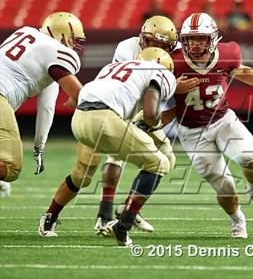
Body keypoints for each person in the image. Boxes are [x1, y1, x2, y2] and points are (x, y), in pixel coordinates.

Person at [166, 12, 253, 238]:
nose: (194, 44)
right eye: (190, 38)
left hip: (222, 119)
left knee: (252, 160)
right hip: (191, 132)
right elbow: (155, 89)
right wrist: (173, 87)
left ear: (213, 38)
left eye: (201, 38)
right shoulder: (172, 60)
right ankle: (237, 219)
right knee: (224, 186)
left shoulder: (227, 53)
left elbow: (240, 71)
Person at [38, 48, 177, 247]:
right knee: (159, 164)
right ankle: (123, 224)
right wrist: (154, 124)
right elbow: (149, 113)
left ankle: (50, 217)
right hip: (105, 119)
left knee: (81, 175)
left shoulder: (113, 67)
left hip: (79, 120)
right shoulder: (161, 72)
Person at [93, 15, 199, 235]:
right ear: (143, 39)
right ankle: (107, 215)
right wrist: (173, 89)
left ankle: (126, 210)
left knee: (164, 159)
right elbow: (135, 87)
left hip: (148, 109)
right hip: (126, 106)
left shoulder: (179, 50)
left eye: (164, 46)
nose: (158, 49)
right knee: (118, 157)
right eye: (154, 44)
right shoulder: (126, 48)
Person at [0, 12, 85, 192]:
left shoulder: (25, 32)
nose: (75, 44)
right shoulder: (55, 52)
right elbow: (70, 97)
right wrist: (39, 148)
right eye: (73, 38)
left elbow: (46, 105)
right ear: (62, 35)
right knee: (11, 166)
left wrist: (39, 147)